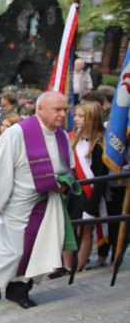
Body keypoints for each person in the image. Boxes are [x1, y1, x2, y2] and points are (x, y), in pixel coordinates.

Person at [0, 91, 75, 309]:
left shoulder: (62, 136)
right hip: (16, 203)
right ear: (40, 109)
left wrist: (66, 182)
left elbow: (68, 168)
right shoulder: (18, 133)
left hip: (47, 203)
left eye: (65, 110)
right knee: (13, 251)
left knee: (41, 249)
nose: (62, 115)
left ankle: (19, 290)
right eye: (57, 110)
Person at [67, 101, 108, 272]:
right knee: (70, 230)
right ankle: (66, 266)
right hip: (73, 193)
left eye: (80, 116)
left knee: (85, 231)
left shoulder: (99, 144)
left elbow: (100, 178)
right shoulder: (74, 139)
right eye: (75, 115)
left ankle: (78, 267)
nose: (75, 119)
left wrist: (92, 206)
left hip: (89, 194)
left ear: (91, 118)